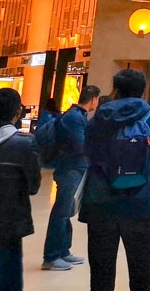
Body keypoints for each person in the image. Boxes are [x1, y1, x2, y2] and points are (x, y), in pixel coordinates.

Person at [79, 68, 150, 291]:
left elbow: (88, 152)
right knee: (142, 275)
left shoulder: (97, 119)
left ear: (115, 89)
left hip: (100, 202)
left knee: (101, 275)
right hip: (140, 201)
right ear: (143, 90)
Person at [42, 84, 100, 271]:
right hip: (69, 169)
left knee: (66, 210)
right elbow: (79, 145)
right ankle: (51, 256)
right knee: (61, 211)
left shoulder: (77, 116)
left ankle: (63, 251)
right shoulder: (74, 117)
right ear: (93, 100)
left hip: (75, 168)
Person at [0, 88, 41, 291]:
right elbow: (33, 187)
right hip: (9, 222)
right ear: (17, 112)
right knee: (7, 276)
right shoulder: (24, 145)